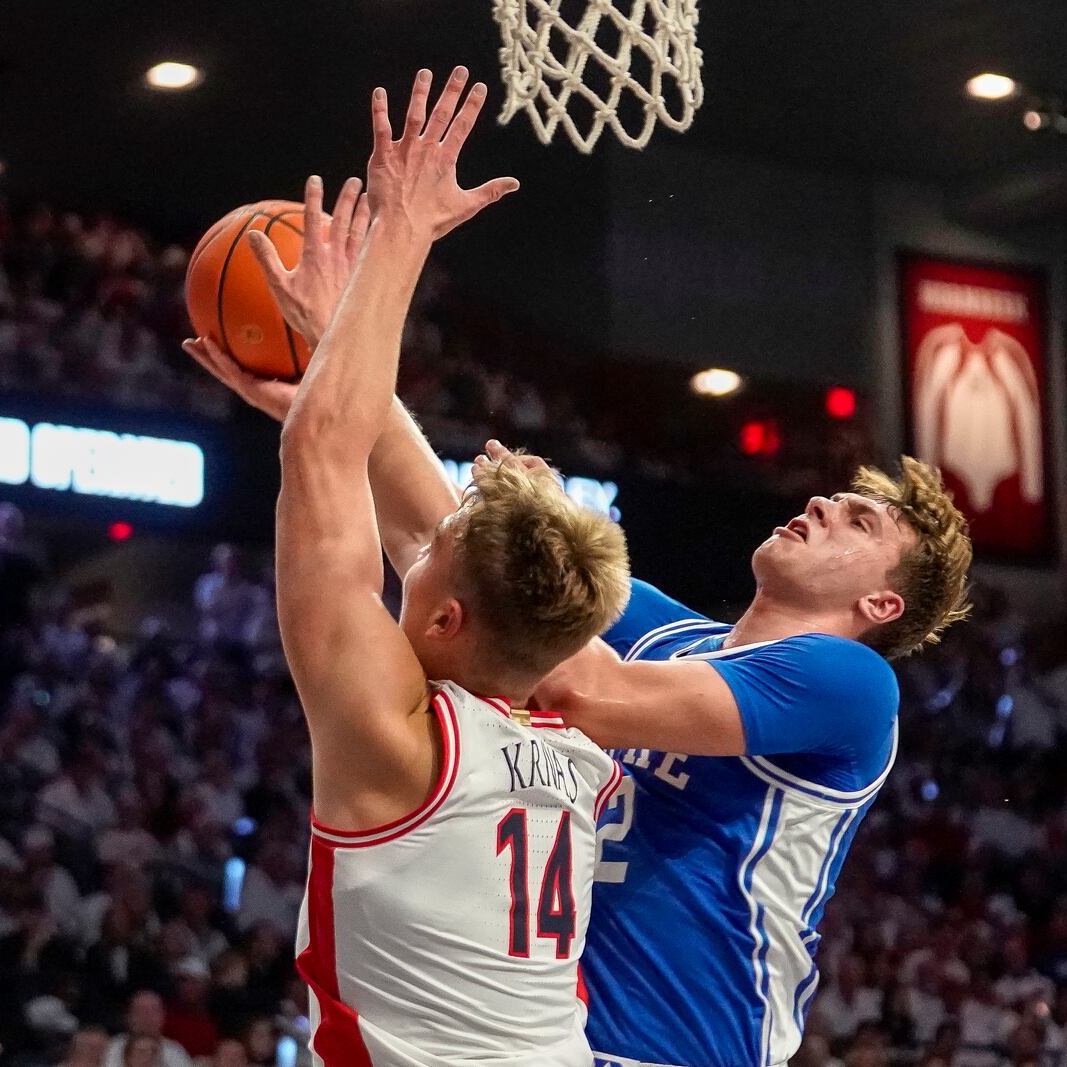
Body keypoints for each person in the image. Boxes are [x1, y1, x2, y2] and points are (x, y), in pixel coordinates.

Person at [190, 69, 972, 1067]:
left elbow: (567, 674)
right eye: (836, 496)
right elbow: (468, 569)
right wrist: (339, 370)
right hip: (546, 1034)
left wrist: (353, 417)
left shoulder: (851, 685)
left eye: (856, 519)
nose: (819, 503)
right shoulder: (673, 636)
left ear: (880, 599)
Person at [185, 66, 626, 1067]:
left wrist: (401, 235)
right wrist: (335, 357)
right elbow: (378, 476)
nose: (414, 546)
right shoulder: (580, 740)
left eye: (426, 559)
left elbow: (327, 452)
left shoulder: (396, 735)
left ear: (445, 621)